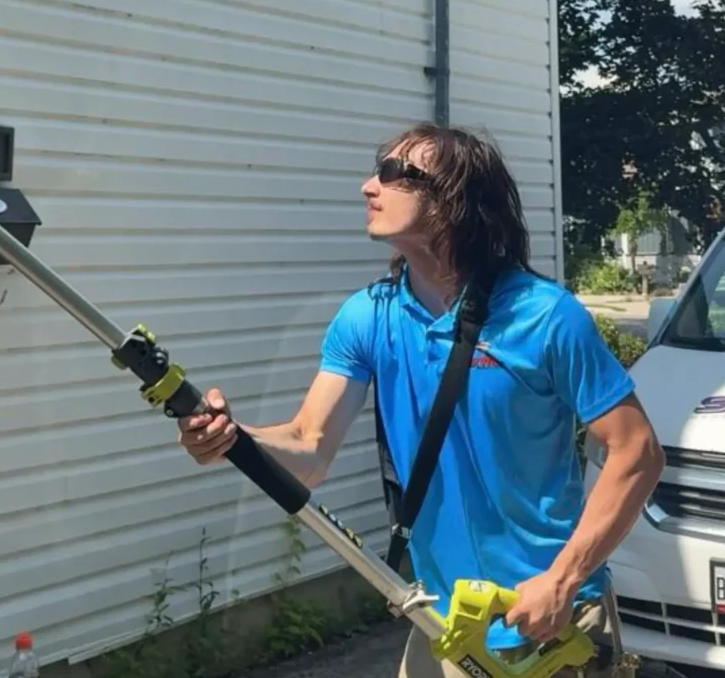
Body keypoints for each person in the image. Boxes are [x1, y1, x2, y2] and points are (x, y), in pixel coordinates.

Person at [177, 123, 665, 677]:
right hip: (441, 621)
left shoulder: (545, 316)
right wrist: (233, 439)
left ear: (453, 198)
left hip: (547, 621)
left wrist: (564, 578)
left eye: (393, 173)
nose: (369, 186)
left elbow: (637, 451)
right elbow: (308, 448)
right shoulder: (368, 316)